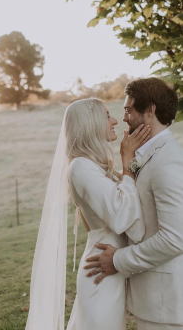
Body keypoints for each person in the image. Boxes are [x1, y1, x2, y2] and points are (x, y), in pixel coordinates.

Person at [25, 97, 149, 330]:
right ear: (90, 123)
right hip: (101, 269)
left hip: (107, 264)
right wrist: (128, 163)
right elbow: (121, 216)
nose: (114, 120)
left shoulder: (92, 166)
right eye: (106, 115)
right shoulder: (81, 166)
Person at [84, 78, 183, 330]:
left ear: (150, 110)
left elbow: (175, 238)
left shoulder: (167, 161)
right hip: (152, 301)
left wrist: (118, 260)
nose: (124, 117)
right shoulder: (150, 155)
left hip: (166, 304)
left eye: (128, 109)